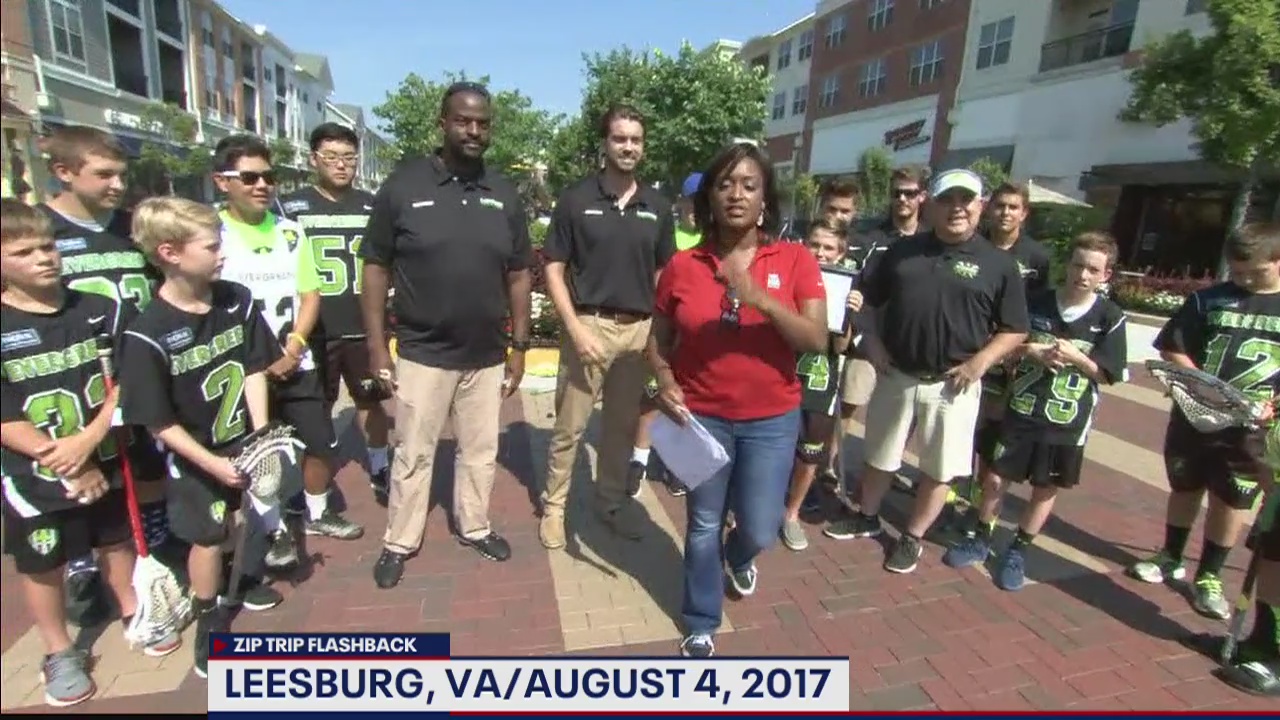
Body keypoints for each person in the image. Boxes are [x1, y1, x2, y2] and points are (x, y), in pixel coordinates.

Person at [648, 142, 828, 658]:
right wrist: (664, 379)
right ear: (709, 197)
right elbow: (658, 338)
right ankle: (701, 620)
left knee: (761, 525)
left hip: (772, 420)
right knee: (704, 522)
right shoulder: (684, 265)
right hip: (702, 417)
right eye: (725, 184)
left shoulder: (795, 259)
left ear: (765, 199)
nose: (736, 194)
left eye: (749, 185)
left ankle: (741, 555)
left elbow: (816, 339)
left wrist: (760, 299)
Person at [0, 199, 180, 707]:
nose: (43, 258)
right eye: (23, 252)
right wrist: (62, 459)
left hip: (101, 452)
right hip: (34, 471)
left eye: (47, 246)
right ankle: (58, 649)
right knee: (44, 560)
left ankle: (132, 608)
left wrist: (89, 440)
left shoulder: (97, 309)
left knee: (115, 537)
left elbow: (123, 381)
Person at [360, 81, 532, 586]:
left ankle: (475, 526)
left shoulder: (503, 193)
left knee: (480, 452)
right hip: (423, 353)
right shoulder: (403, 187)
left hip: (486, 354)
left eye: (482, 123)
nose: (473, 130)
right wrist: (377, 347)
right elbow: (375, 268)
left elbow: (519, 274)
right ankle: (399, 541)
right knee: (413, 454)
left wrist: (519, 346)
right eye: (463, 121)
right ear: (443, 123)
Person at [826, 168, 1029, 574]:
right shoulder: (902, 252)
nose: (957, 208)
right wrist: (872, 344)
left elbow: (1016, 328)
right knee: (880, 455)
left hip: (953, 384)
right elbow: (864, 300)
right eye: (947, 199)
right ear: (931, 204)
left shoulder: (999, 264)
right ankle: (867, 516)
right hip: (897, 375)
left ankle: (912, 536)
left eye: (966, 200)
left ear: (980, 206)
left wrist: (980, 363)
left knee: (939, 469)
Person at [117, 197, 280, 679]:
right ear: (169, 252)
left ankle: (238, 580)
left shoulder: (235, 299)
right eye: (211, 246)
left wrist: (261, 433)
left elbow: (254, 368)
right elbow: (157, 422)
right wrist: (212, 463)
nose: (222, 253)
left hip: (239, 439)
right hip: (195, 454)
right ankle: (209, 615)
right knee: (207, 537)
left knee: (239, 517)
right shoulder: (147, 333)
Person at [34, 125, 169, 627]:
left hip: (139, 368)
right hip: (73, 376)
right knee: (83, 478)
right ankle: (83, 563)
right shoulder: (40, 233)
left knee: (147, 467)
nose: (117, 184)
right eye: (104, 174)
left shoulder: (134, 228)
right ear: (63, 172)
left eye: (122, 175)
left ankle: (151, 544)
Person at [942, 232, 1127, 589]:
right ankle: (982, 536)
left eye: (1093, 269)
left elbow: (1109, 374)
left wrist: (1078, 358)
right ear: (1067, 265)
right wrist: (1030, 351)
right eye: (1077, 265)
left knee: (1044, 488)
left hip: (1066, 420)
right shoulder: (1036, 303)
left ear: (1106, 275)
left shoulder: (1109, 316)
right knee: (996, 478)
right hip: (1022, 409)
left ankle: (1019, 548)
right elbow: (1005, 347)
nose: (1082, 275)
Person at [212, 134, 363, 556]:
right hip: (243, 370)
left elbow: (310, 295)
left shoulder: (291, 231)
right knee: (260, 455)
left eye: (269, 176)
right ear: (222, 181)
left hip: (296, 360)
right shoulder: (210, 233)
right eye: (250, 177)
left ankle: (317, 512)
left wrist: (294, 347)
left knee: (321, 442)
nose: (262, 185)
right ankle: (273, 529)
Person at [539, 105, 676, 549]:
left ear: (643, 146)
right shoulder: (576, 199)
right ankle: (554, 507)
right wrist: (575, 328)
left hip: (638, 331)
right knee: (570, 428)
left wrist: (660, 333)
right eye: (620, 138)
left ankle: (611, 503)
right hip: (589, 326)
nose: (628, 147)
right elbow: (553, 268)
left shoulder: (657, 206)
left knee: (620, 428)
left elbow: (664, 274)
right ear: (605, 143)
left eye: (636, 140)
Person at [1130, 222, 1280, 620]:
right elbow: (1173, 347)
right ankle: (1170, 555)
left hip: (1250, 429)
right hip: (1195, 416)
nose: (1244, 280)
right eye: (1238, 272)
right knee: (1185, 486)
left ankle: (1210, 575)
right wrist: (1203, 386)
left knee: (1230, 500)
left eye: (1255, 272)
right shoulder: (1209, 300)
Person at [279, 123, 391, 498]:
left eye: (348, 157)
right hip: (314, 329)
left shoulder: (373, 205)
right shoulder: (289, 207)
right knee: (316, 408)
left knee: (371, 400)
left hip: (361, 325)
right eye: (331, 157)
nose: (341, 165)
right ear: (314, 159)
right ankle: (313, 482)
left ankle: (380, 464)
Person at [953, 181, 1053, 532]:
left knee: (993, 432)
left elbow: (1039, 312)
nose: (1005, 213)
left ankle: (980, 503)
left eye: (1013, 207)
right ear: (988, 209)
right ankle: (953, 491)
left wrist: (1021, 350)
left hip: (1010, 357)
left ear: (1024, 213)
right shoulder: (971, 244)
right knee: (962, 425)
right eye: (1000, 206)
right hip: (968, 350)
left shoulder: (1037, 257)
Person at [826, 169, 927, 494]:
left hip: (910, 345)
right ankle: (828, 466)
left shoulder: (931, 240)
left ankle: (887, 468)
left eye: (909, 193)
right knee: (849, 405)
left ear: (922, 196)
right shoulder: (869, 239)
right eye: (897, 192)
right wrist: (862, 336)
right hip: (868, 342)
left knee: (903, 414)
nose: (902, 199)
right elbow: (855, 290)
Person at [781, 217, 862, 551]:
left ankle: (791, 514)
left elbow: (841, 347)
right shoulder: (786, 275)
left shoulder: (846, 286)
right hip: (780, 373)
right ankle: (750, 507)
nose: (820, 252)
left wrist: (849, 315)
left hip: (819, 378)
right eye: (814, 244)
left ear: (841, 253)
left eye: (829, 247)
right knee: (768, 444)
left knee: (810, 451)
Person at [630, 171, 703, 499]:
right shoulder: (668, 234)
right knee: (652, 393)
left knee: (687, 398)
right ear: (681, 202)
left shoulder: (715, 240)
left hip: (695, 330)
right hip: (663, 324)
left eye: (702, 203)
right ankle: (639, 459)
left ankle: (676, 464)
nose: (696, 209)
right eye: (692, 202)